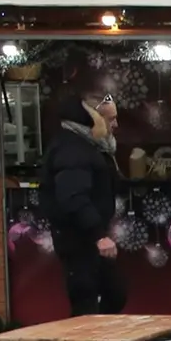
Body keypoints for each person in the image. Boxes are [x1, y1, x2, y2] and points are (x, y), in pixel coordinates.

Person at [40, 76, 127, 317]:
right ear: (94, 119)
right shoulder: (73, 149)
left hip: (87, 236)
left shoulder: (88, 147)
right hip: (79, 239)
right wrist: (98, 235)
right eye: (111, 119)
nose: (116, 125)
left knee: (112, 292)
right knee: (87, 300)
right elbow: (73, 197)